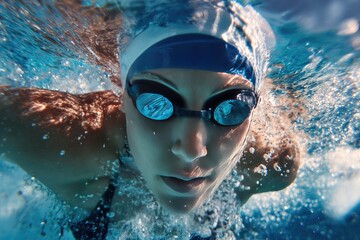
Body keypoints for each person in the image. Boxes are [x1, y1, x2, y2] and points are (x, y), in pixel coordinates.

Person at [0, 1, 300, 239]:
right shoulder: (71, 144)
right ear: (123, 97)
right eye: (156, 103)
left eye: (231, 108)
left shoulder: (273, 163)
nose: (192, 149)